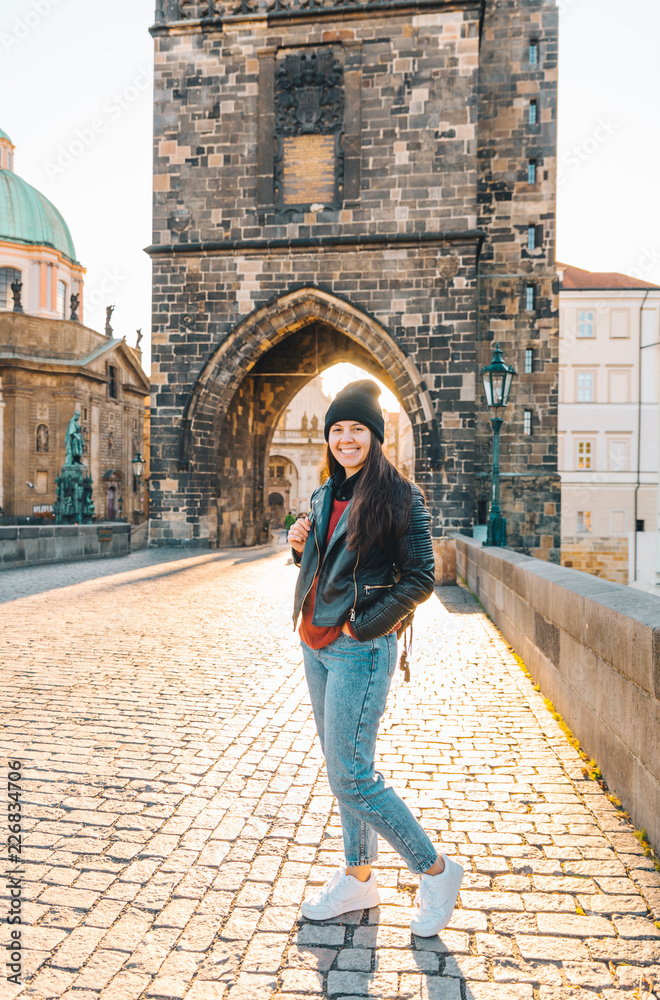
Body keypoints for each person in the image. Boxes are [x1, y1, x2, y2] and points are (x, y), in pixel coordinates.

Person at [288, 380, 463, 937]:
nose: (345, 439)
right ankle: (359, 876)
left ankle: (435, 872)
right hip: (314, 644)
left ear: (376, 436)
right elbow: (326, 570)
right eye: (337, 429)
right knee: (345, 774)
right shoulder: (323, 494)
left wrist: (361, 628)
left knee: (353, 777)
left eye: (357, 429)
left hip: (358, 650)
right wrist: (298, 548)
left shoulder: (402, 498)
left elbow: (420, 578)